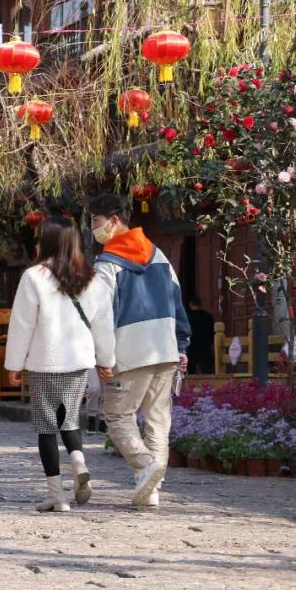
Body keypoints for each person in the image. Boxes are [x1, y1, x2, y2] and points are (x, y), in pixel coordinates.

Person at [5, 217, 116, 512]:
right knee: (69, 419)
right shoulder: (92, 277)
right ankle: (78, 461)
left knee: (46, 428)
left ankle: (57, 495)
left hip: (44, 362)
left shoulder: (34, 276)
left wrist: (14, 363)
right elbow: (103, 324)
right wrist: (106, 360)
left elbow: (23, 324)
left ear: (48, 241)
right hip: (78, 362)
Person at [89, 193, 190, 508]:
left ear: (113, 220)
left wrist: (103, 358)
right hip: (165, 347)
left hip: (129, 351)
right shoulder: (159, 256)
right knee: (158, 420)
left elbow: (102, 316)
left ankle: (146, 465)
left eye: (96, 221)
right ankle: (151, 490)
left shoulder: (107, 265)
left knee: (118, 415)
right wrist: (181, 344)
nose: (94, 227)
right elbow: (177, 301)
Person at [185, 296, 216, 374]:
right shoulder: (208, 316)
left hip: (191, 347)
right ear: (200, 304)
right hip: (205, 347)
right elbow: (212, 332)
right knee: (206, 370)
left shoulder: (188, 317)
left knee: (191, 371)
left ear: (190, 304)